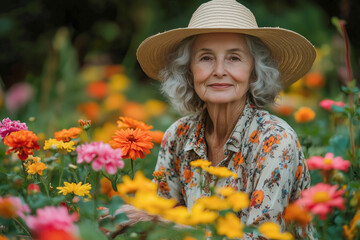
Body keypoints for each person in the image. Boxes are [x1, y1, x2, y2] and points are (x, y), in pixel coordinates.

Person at [123, 0, 316, 238]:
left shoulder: (275, 141)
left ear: (254, 71)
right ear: (188, 70)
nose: (219, 70)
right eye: (206, 58)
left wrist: (160, 222)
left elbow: (261, 237)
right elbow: (157, 222)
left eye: (234, 58)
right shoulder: (178, 137)